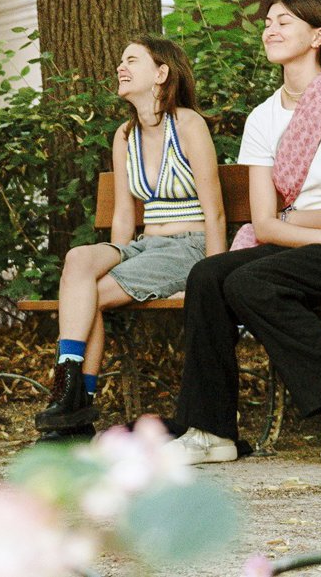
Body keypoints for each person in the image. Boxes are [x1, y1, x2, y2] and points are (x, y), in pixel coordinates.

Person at [173, 0, 321, 467]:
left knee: (249, 280)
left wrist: (303, 223)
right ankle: (211, 429)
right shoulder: (263, 117)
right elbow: (264, 224)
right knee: (208, 275)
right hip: (307, 241)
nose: (270, 30)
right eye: (269, 21)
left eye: (285, 22)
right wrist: (311, 229)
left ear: (318, 36)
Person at [34, 35, 224, 439]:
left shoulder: (189, 125)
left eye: (131, 60)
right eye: (121, 60)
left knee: (86, 298)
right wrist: (118, 254)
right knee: (80, 262)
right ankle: (72, 390)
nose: (121, 67)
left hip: (189, 246)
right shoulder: (125, 135)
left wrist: (217, 272)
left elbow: (216, 211)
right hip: (145, 245)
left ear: (160, 73)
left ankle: (76, 403)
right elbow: (124, 213)